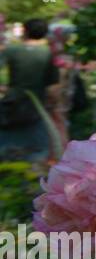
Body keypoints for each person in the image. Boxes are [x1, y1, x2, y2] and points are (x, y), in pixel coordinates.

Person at [0, 19, 60, 161]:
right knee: (36, 148)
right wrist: (54, 104)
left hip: (12, 102)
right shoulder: (47, 53)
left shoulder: (12, 50)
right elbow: (52, 84)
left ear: (25, 31)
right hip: (37, 104)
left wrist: (4, 89)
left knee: (7, 143)